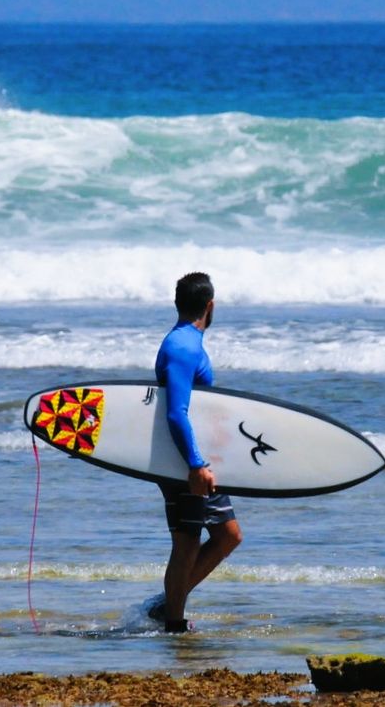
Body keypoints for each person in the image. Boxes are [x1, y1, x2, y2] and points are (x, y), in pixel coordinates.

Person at [146, 271, 242, 633]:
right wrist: (195, 465)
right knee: (188, 542)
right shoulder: (183, 347)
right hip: (185, 462)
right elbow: (176, 412)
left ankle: (168, 607)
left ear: (177, 303)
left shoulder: (186, 342)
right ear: (210, 306)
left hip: (193, 457)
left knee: (226, 535)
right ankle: (173, 623)